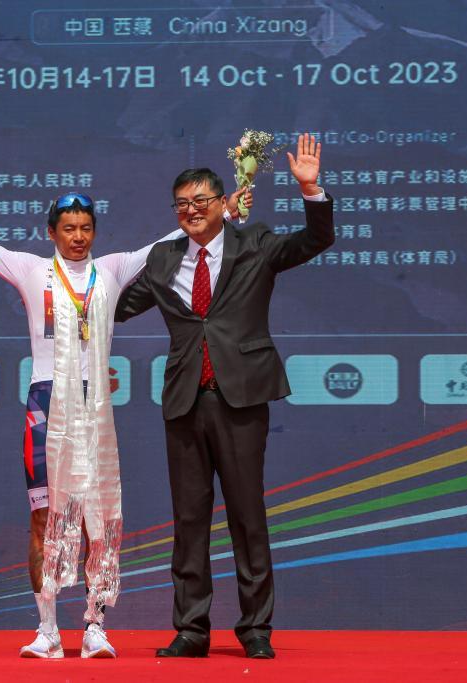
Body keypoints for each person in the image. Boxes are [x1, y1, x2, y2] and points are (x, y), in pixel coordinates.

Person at [0, 162, 249, 659]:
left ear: (94, 232)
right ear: (52, 233)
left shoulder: (114, 269)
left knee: (96, 521)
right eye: (68, 229)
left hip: (94, 407)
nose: (78, 237)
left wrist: (223, 212)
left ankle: (95, 626)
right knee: (44, 519)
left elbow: (170, 241)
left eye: (85, 229)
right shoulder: (29, 270)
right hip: (46, 406)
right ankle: (47, 629)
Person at [115, 133, 334, 659]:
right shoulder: (164, 258)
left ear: (222, 203)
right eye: (182, 204)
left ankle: (255, 628)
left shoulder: (254, 244)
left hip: (240, 397)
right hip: (184, 401)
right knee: (189, 520)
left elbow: (314, 241)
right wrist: (64, 291)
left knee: (246, 515)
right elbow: (116, 306)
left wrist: (311, 191)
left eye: (200, 201)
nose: (191, 211)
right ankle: (191, 629)